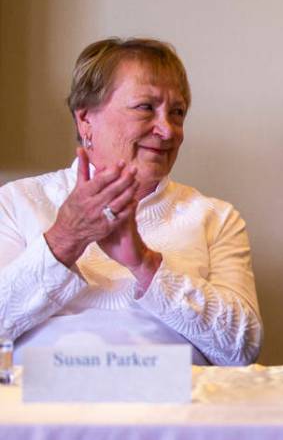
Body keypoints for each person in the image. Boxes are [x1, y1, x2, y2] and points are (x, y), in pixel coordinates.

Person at [0, 38, 263, 365]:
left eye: (177, 112)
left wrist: (145, 264)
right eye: (145, 107)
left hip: (175, 407)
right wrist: (66, 239)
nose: (168, 130)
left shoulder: (215, 217)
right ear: (86, 120)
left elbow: (243, 348)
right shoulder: (16, 201)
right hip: (46, 405)